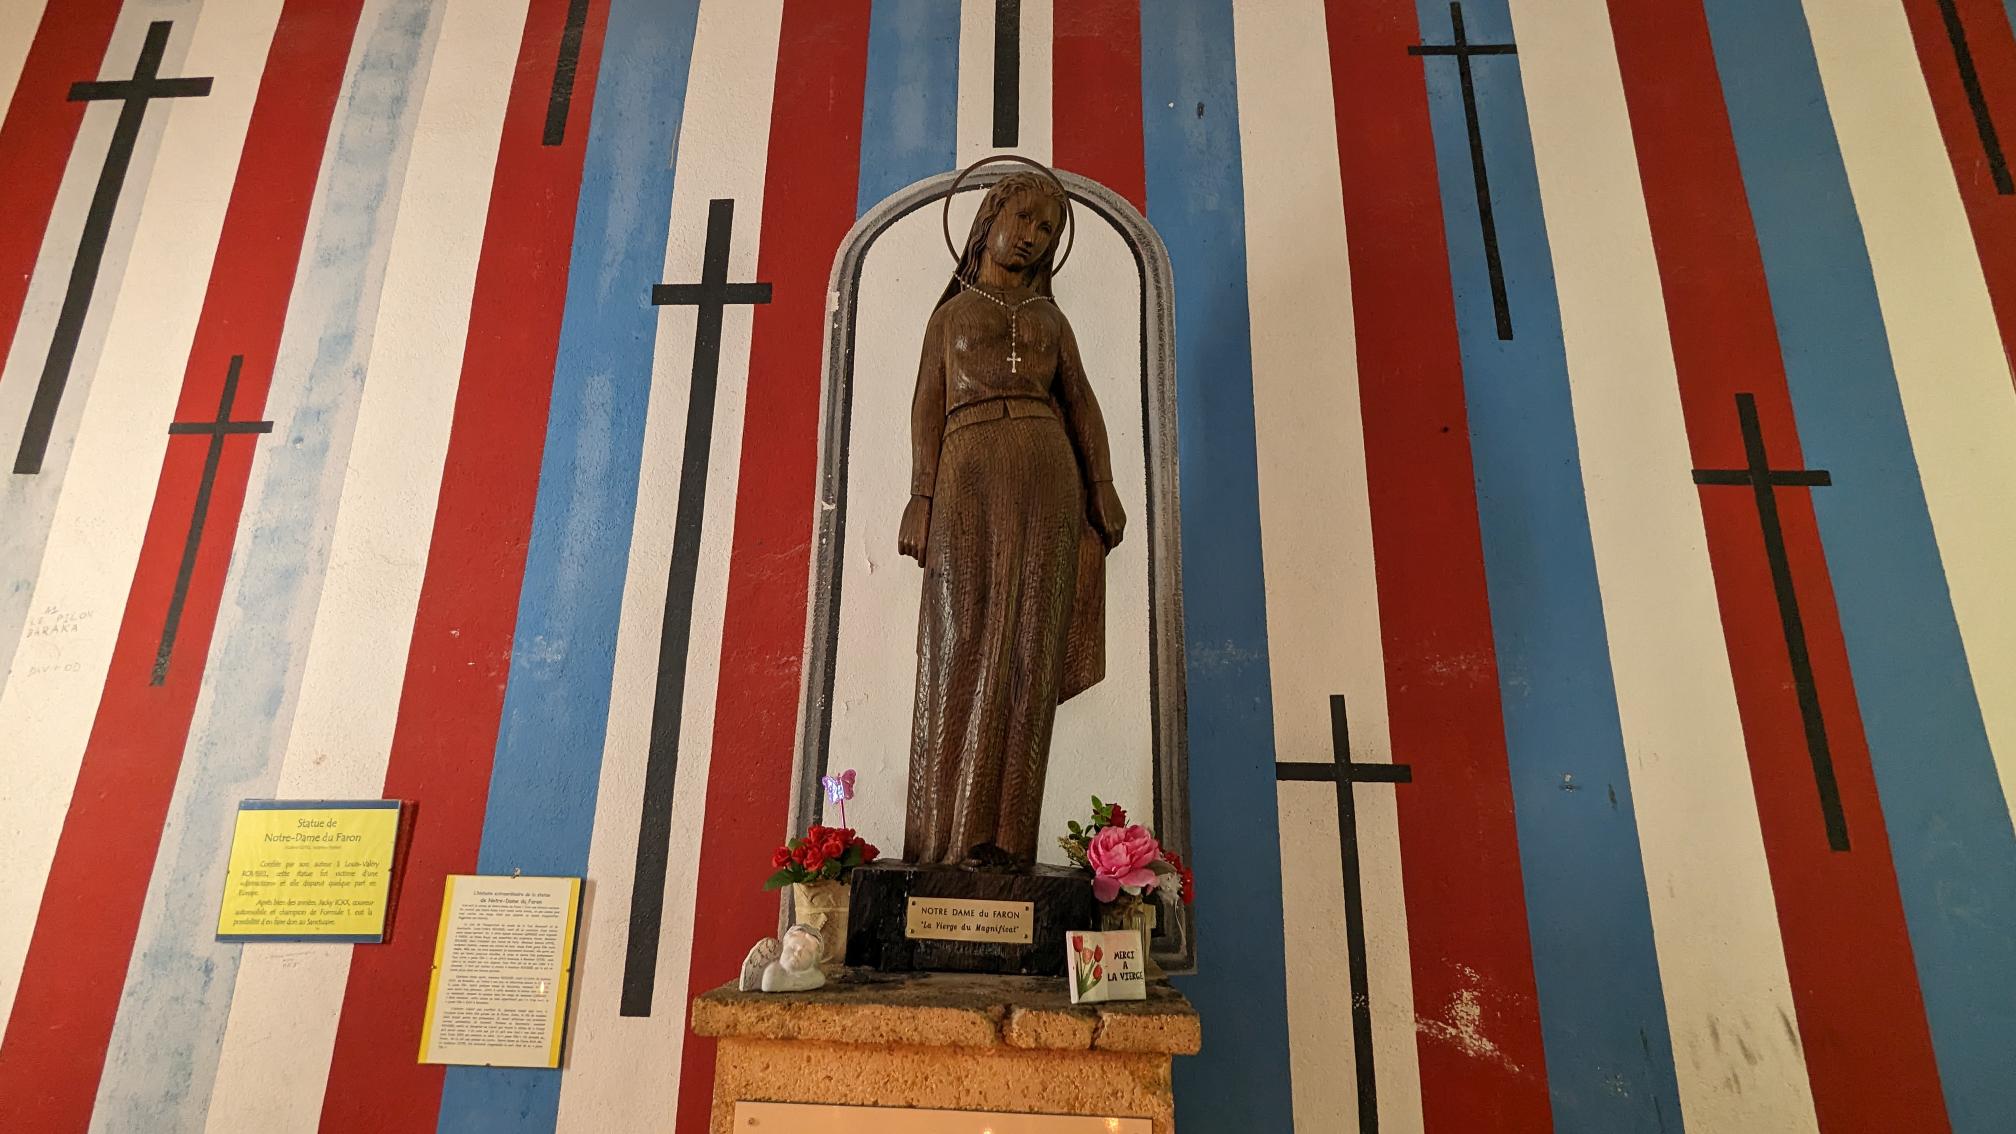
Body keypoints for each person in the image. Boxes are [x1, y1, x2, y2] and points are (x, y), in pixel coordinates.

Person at [899, 169, 1125, 868]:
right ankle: (943, 836)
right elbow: (927, 406)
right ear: (989, 218)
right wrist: (921, 496)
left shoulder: (1052, 321)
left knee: (1033, 641)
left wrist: (1103, 486)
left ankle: (1006, 838)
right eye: (1023, 218)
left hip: (1045, 473)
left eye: (1047, 230)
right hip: (967, 472)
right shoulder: (951, 316)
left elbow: (1081, 403)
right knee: (958, 638)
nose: (1033, 237)